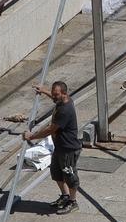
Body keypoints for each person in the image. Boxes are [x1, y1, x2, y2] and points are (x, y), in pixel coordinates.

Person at [8, 81, 81, 214]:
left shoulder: (65, 109)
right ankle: (65, 196)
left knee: (70, 175)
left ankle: (72, 201)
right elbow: (54, 97)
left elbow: (50, 130)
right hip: (59, 146)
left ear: (64, 94)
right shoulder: (61, 100)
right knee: (56, 172)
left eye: (56, 94)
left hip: (68, 149)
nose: (53, 96)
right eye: (53, 93)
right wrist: (43, 90)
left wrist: (31, 136)